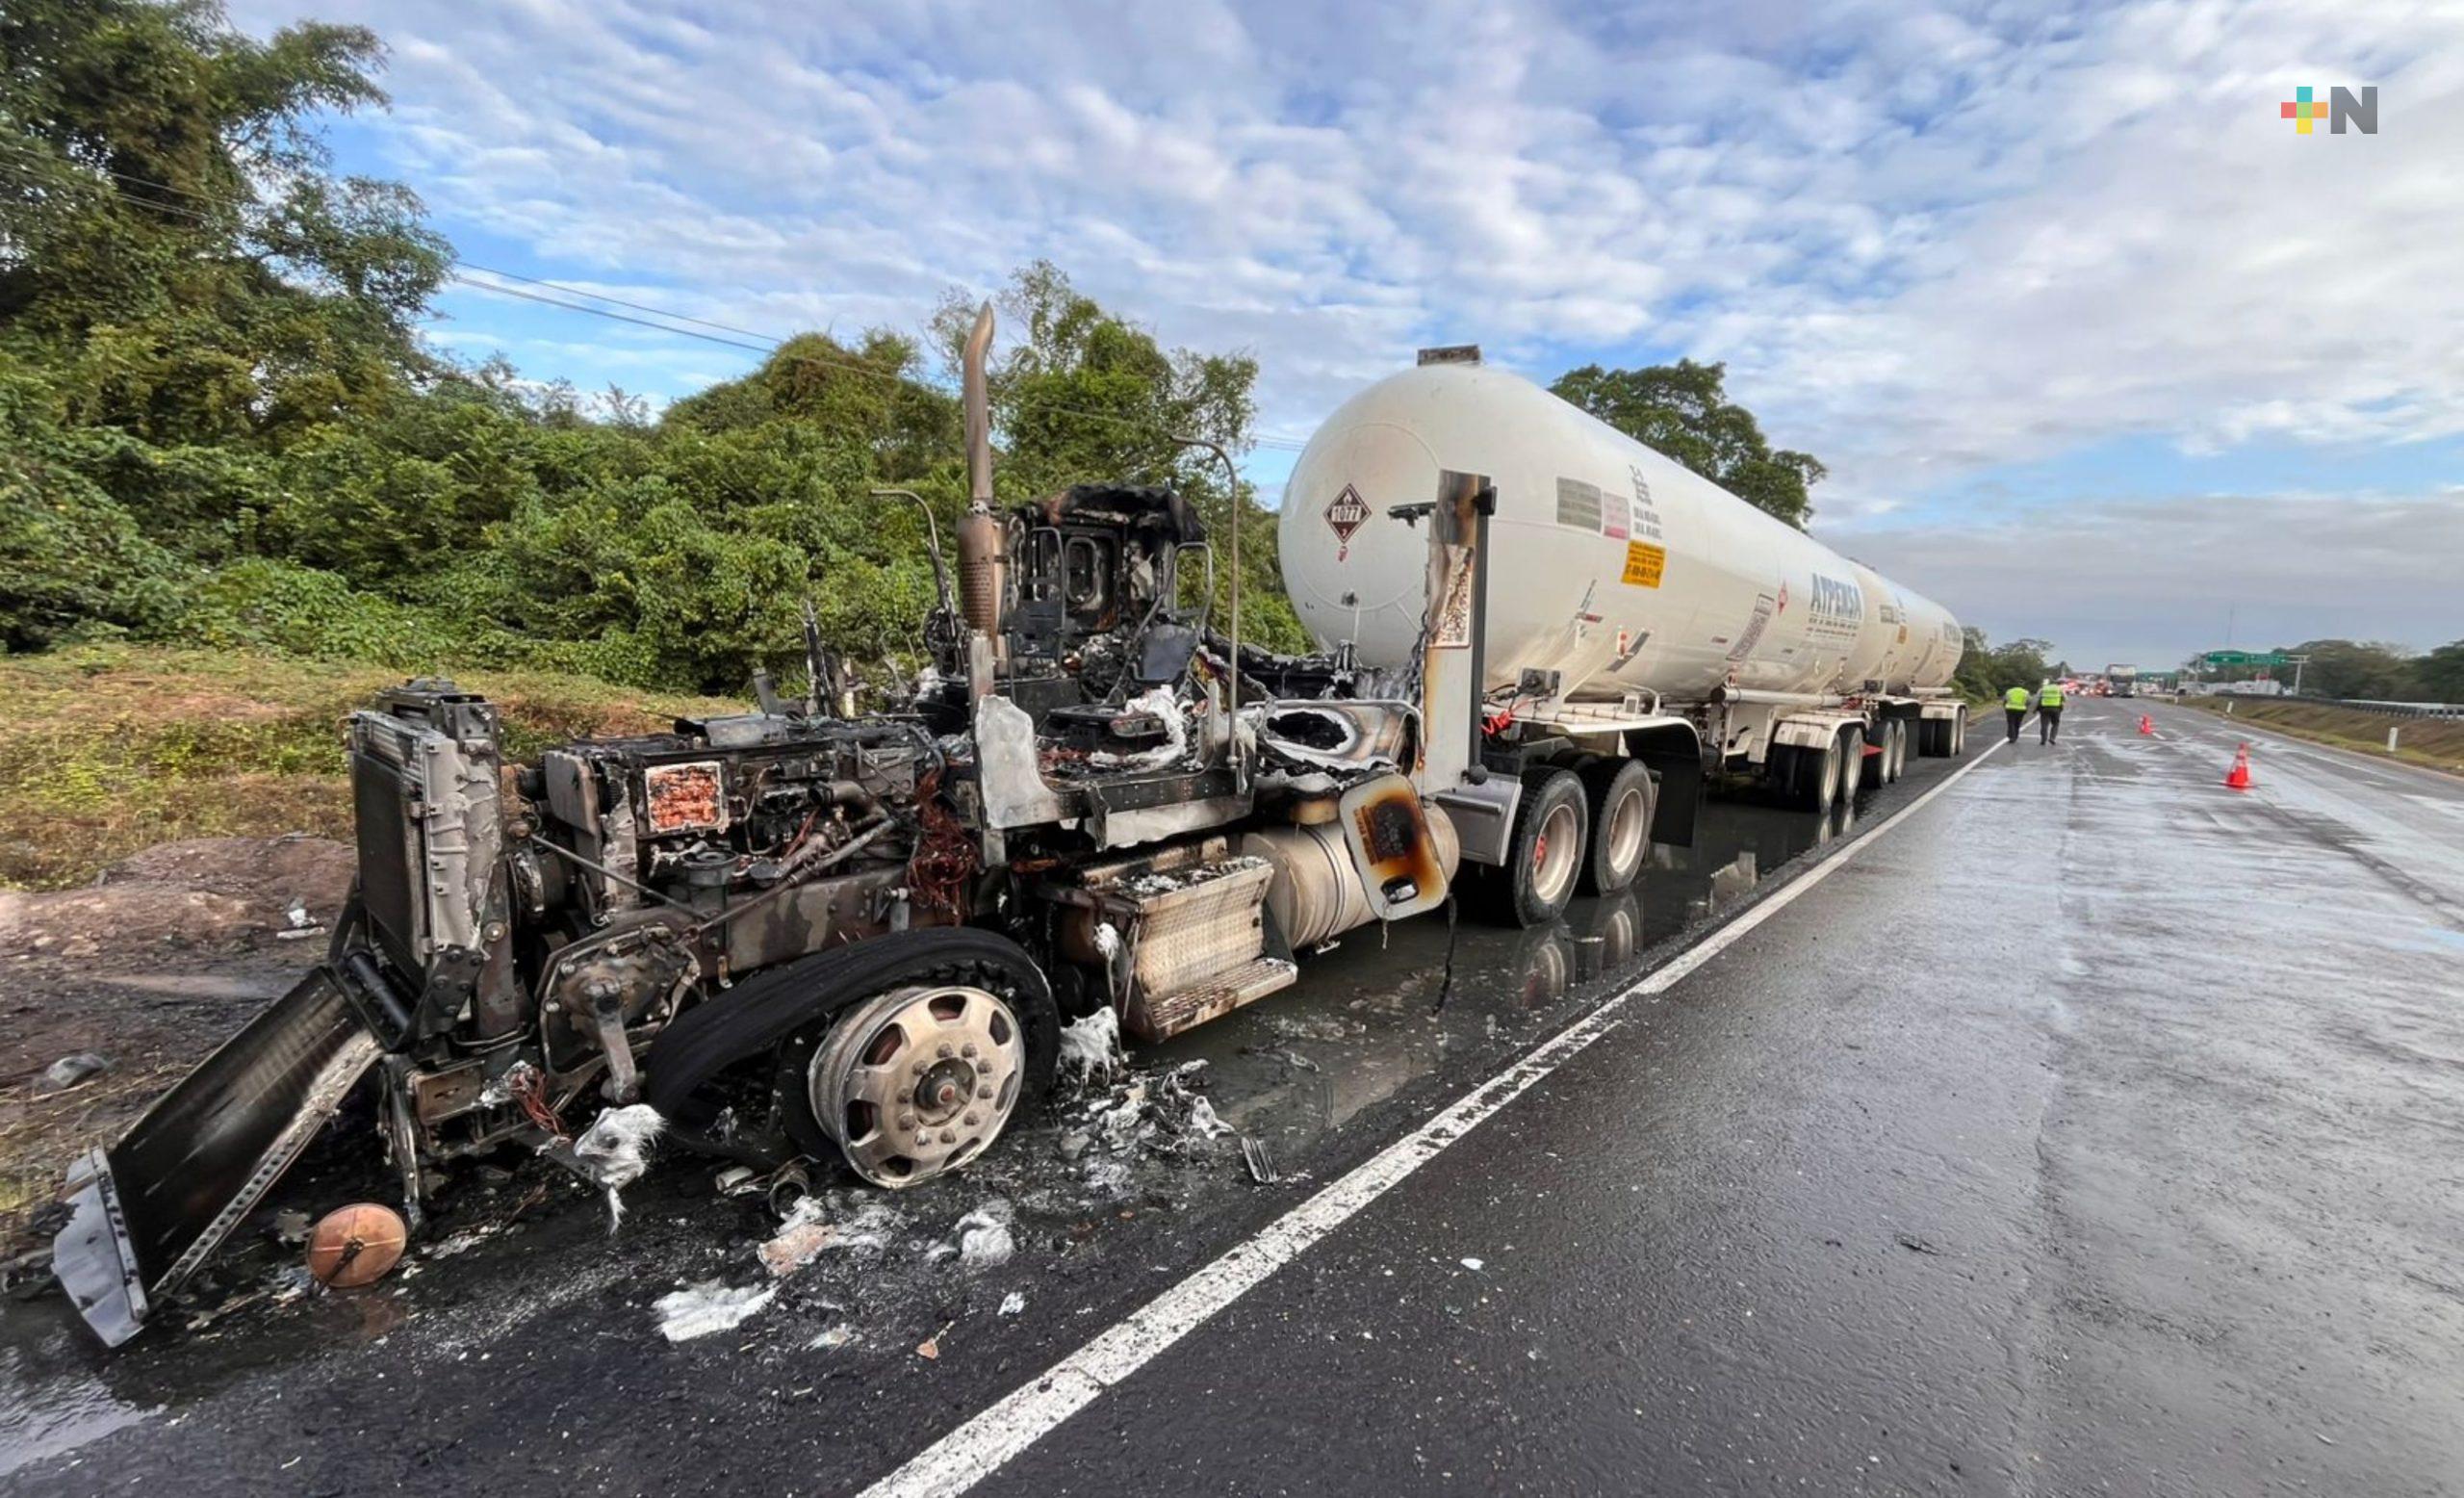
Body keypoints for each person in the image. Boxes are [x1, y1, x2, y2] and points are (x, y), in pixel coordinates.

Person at [2039, 679, 2066, 743]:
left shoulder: (2043, 689)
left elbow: (2038, 698)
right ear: (2056, 683)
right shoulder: (2059, 689)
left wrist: (2035, 709)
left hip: (2045, 708)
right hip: (2056, 709)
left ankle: (2043, 739)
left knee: (2044, 725)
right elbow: (2065, 698)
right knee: (2055, 724)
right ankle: (2052, 738)